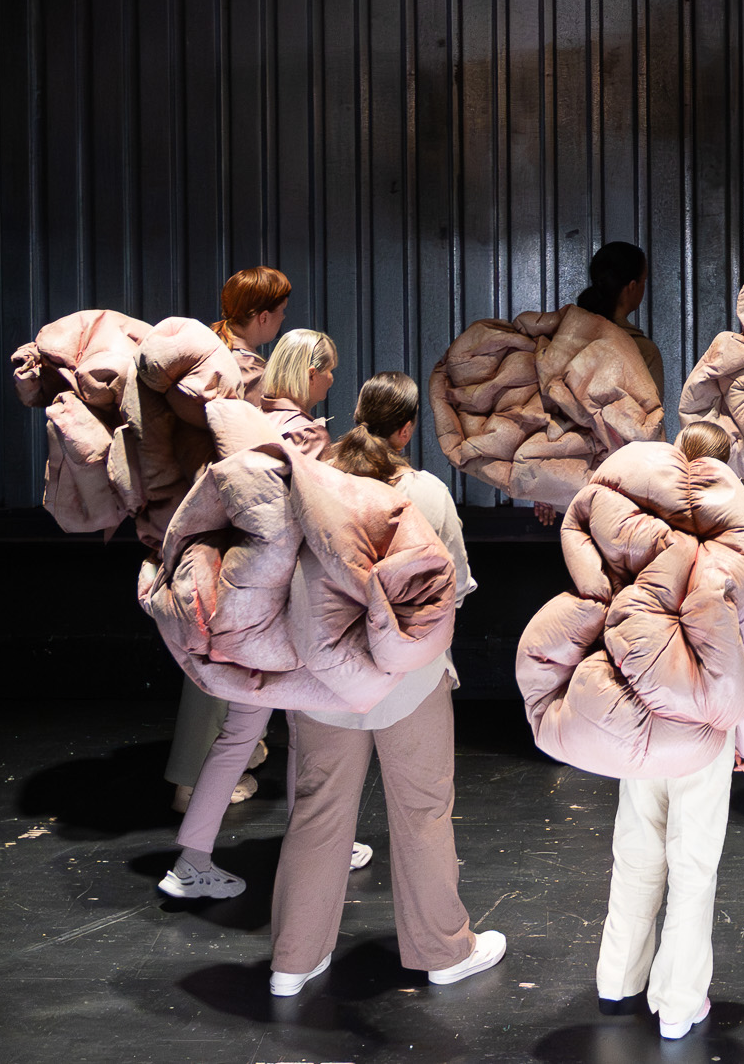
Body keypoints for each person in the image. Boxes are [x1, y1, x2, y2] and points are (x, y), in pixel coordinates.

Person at [266, 372, 508, 999]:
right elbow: (455, 585)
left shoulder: (311, 484)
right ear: (406, 430)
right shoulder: (426, 493)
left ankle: (293, 960)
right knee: (424, 813)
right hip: (410, 684)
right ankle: (444, 952)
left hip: (322, 684)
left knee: (317, 812)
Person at [593, 419, 744, 1043]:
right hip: (703, 729)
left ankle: (618, 980)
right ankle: (677, 1002)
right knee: (692, 866)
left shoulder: (637, 538)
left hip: (643, 718)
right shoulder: (732, 553)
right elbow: (739, 652)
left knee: (636, 849)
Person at [157, 321, 340, 900]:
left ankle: (191, 860)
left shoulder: (252, 426)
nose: (332, 381)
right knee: (308, 732)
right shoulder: (304, 436)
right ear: (310, 372)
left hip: (245, 608)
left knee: (237, 736)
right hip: (288, 615)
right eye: (329, 371)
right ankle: (314, 844)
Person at [171, 265, 297, 816]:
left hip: (194, 516)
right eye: (281, 313)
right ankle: (192, 781)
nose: (283, 321)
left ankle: (234, 755)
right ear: (262, 316)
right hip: (229, 523)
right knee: (217, 643)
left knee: (215, 638)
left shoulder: (206, 358)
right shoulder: (243, 372)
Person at [578, 241, 668, 399]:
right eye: (643, 281)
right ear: (632, 286)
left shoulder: (566, 338)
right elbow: (652, 411)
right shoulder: (643, 350)